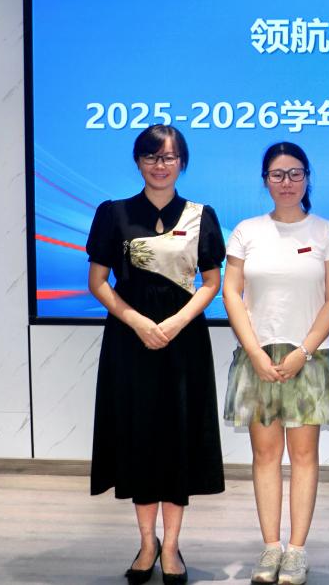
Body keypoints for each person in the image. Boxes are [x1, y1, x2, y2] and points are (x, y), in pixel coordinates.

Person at [87, 125, 226, 585]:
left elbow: (211, 282)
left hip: (183, 341)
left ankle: (171, 547)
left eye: (168, 157)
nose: (159, 165)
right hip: (131, 341)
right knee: (139, 438)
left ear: (182, 162)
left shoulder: (201, 215)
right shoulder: (114, 213)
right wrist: (139, 323)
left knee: (177, 438)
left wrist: (173, 323)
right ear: (138, 161)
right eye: (151, 156)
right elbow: (98, 282)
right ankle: (146, 543)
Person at [222, 142, 329, 585]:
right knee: (264, 455)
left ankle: (296, 551)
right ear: (265, 181)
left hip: (308, 358)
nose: (287, 182)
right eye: (277, 175)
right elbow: (231, 292)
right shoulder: (247, 231)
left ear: (307, 177)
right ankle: (270, 547)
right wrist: (255, 351)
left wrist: (304, 352)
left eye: (295, 173)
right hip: (257, 358)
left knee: (304, 456)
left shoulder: (327, 232)